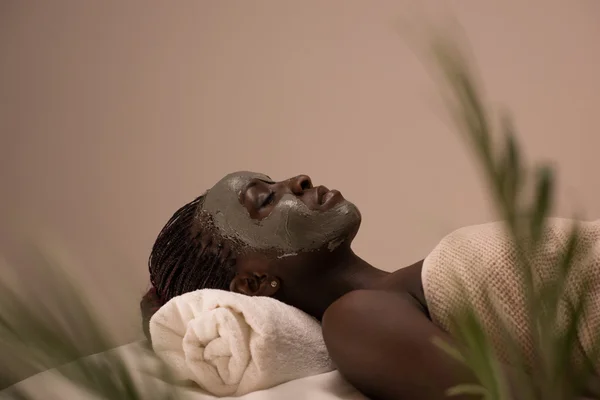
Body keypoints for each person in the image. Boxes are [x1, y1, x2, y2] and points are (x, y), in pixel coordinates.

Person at [141, 171, 600, 400]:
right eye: (265, 199)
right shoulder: (357, 320)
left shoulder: (403, 289)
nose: (298, 179)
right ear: (256, 282)